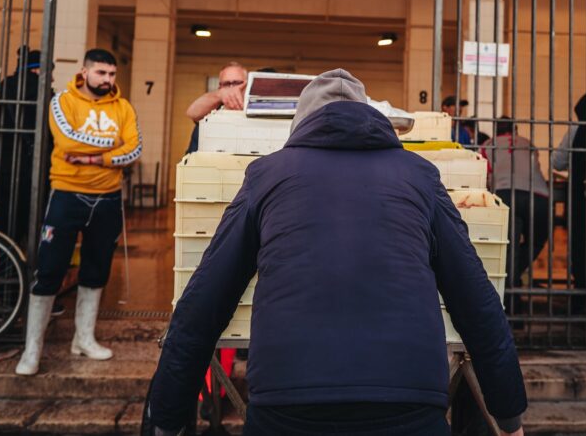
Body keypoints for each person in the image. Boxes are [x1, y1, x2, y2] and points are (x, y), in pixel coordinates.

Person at [147, 69, 526, 436]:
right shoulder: (419, 175)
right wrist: (508, 415)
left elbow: (203, 302)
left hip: (287, 402)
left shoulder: (267, 175)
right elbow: (477, 301)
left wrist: (166, 418)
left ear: (301, 123)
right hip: (406, 402)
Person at [15, 48, 142, 376]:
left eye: (112, 74)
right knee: (50, 269)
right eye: (101, 73)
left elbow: (135, 148)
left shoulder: (123, 107)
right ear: (84, 72)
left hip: (108, 198)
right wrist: (112, 149)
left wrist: (94, 159)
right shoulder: (62, 101)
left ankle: (83, 339)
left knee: (96, 269)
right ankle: (33, 349)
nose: (107, 80)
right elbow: (67, 141)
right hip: (68, 194)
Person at [0, 46, 43, 252]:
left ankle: (5, 275)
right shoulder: (44, 98)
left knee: (6, 227)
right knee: (35, 227)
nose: (50, 80)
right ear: (36, 71)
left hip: (3, 171)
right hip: (35, 173)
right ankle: (32, 274)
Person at [483, 117, 551, 297]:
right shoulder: (528, 144)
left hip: (504, 196)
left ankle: (509, 280)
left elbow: (486, 178)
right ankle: (515, 277)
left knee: (507, 246)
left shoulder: (488, 145)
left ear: (495, 130)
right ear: (516, 129)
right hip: (537, 197)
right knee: (536, 240)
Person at [552, 92, 586, 296]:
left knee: (579, 240)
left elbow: (557, 162)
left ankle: (579, 291)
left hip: (578, 193)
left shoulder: (575, 130)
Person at [184, 62, 248, 154]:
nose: (231, 88)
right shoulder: (211, 110)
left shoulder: (254, 110)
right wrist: (220, 94)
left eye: (237, 83)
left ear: (246, 85)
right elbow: (192, 112)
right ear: (220, 86)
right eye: (226, 84)